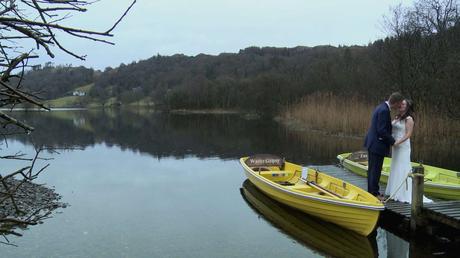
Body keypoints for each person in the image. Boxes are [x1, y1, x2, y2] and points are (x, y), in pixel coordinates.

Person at [385, 99, 431, 203]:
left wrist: (398, 142)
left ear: (407, 107)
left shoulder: (409, 119)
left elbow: (408, 134)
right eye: (401, 103)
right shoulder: (397, 117)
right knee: (395, 166)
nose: (401, 105)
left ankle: (403, 193)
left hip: (402, 146)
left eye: (404, 104)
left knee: (402, 166)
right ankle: (394, 191)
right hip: (395, 145)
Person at [364, 92, 404, 199]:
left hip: (373, 143)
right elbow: (381, 130)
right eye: (399, 104)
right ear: (395, 103)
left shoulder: (381, 107)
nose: (399, 107)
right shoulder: (384, 111)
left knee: (373, 169)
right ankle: (374, 194)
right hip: (377, 145)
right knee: (375, 170)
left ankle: (371, 192)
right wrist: (392, 141)